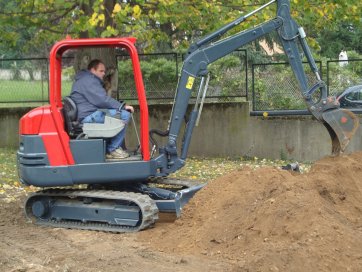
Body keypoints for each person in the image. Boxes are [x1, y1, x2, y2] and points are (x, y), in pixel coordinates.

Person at [70, 59, 134, 159]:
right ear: (92, 70)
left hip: (88, 114)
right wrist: (122, 107)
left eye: (104, 71)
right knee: (124, 115)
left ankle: (111, 148)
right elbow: (102, 100)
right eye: (101, 71)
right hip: (88, 116)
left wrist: (118, 106)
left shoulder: (84, 79)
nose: (104, 74)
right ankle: (113, 149)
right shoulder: (89, 81)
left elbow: (100, 100)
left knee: (116, 114)